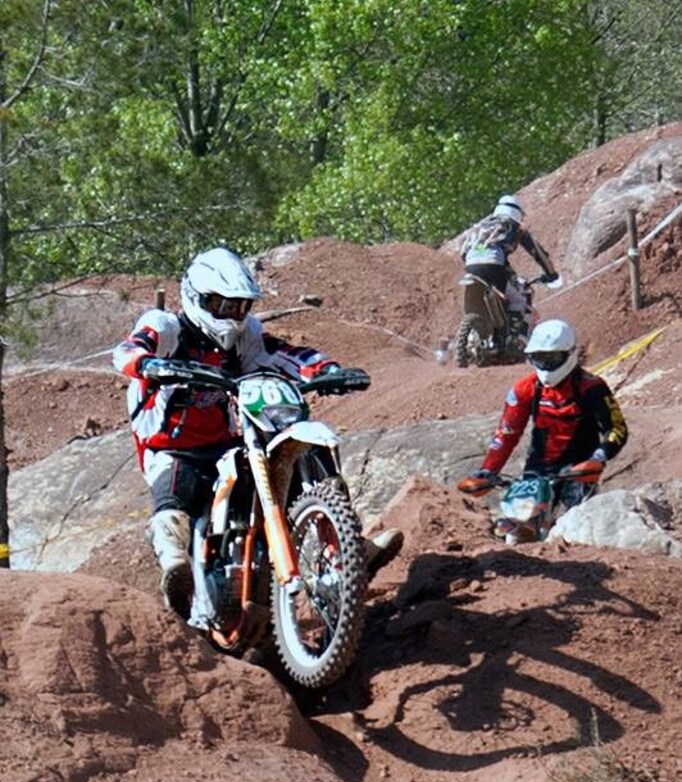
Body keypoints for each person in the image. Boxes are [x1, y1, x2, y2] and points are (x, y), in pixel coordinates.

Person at [113, 245, 403, 617]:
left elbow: (282, 353)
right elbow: (127, 349)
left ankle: (346, 547)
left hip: (226, 443)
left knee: (297, 452)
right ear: (198, 298)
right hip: (170, 448)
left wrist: (327, 370)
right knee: (175, 500)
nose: (232, 316)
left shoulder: (244, 335)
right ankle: (175, 569)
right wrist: (150, 363)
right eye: (222, 305)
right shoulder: (168, 328)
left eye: (239, 306)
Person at [457, 318, 628, 536]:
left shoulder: (591, 387)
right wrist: (488, 471)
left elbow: (617, 429)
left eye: (552, 358)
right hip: (537, 469)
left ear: (569, 353)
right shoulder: (524, 388)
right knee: (516, 528)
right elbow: (507, 433)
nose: (546, 365)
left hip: (578, 470)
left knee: (579, 531)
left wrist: (598, 458)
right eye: (539, 358)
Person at [459, 194, 559, 336]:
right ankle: (511, 337)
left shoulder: (479, 226)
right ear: (518, 213)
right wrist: (551, 273)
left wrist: (477, 258)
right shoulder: (515, 226)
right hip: (493, 266)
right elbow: (538, 253)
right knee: (519, 300)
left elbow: (462, 251)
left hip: (471, 267)